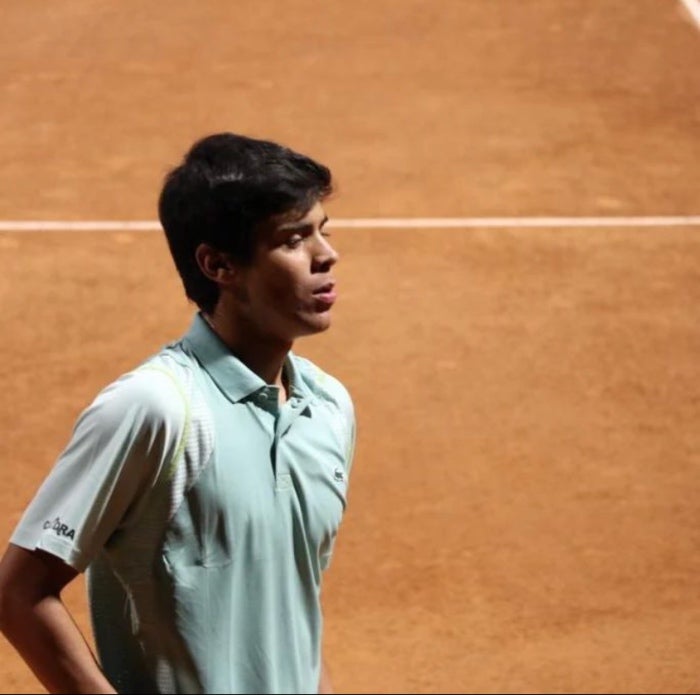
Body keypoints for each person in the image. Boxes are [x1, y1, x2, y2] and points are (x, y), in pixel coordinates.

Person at [0, 132, 356, 694]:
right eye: (293, 239)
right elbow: (19, 592)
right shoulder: (157, 410)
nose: (326, 254)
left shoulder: (328, 407)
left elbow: (291, 602)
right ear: (218, 265)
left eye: (323, 231)